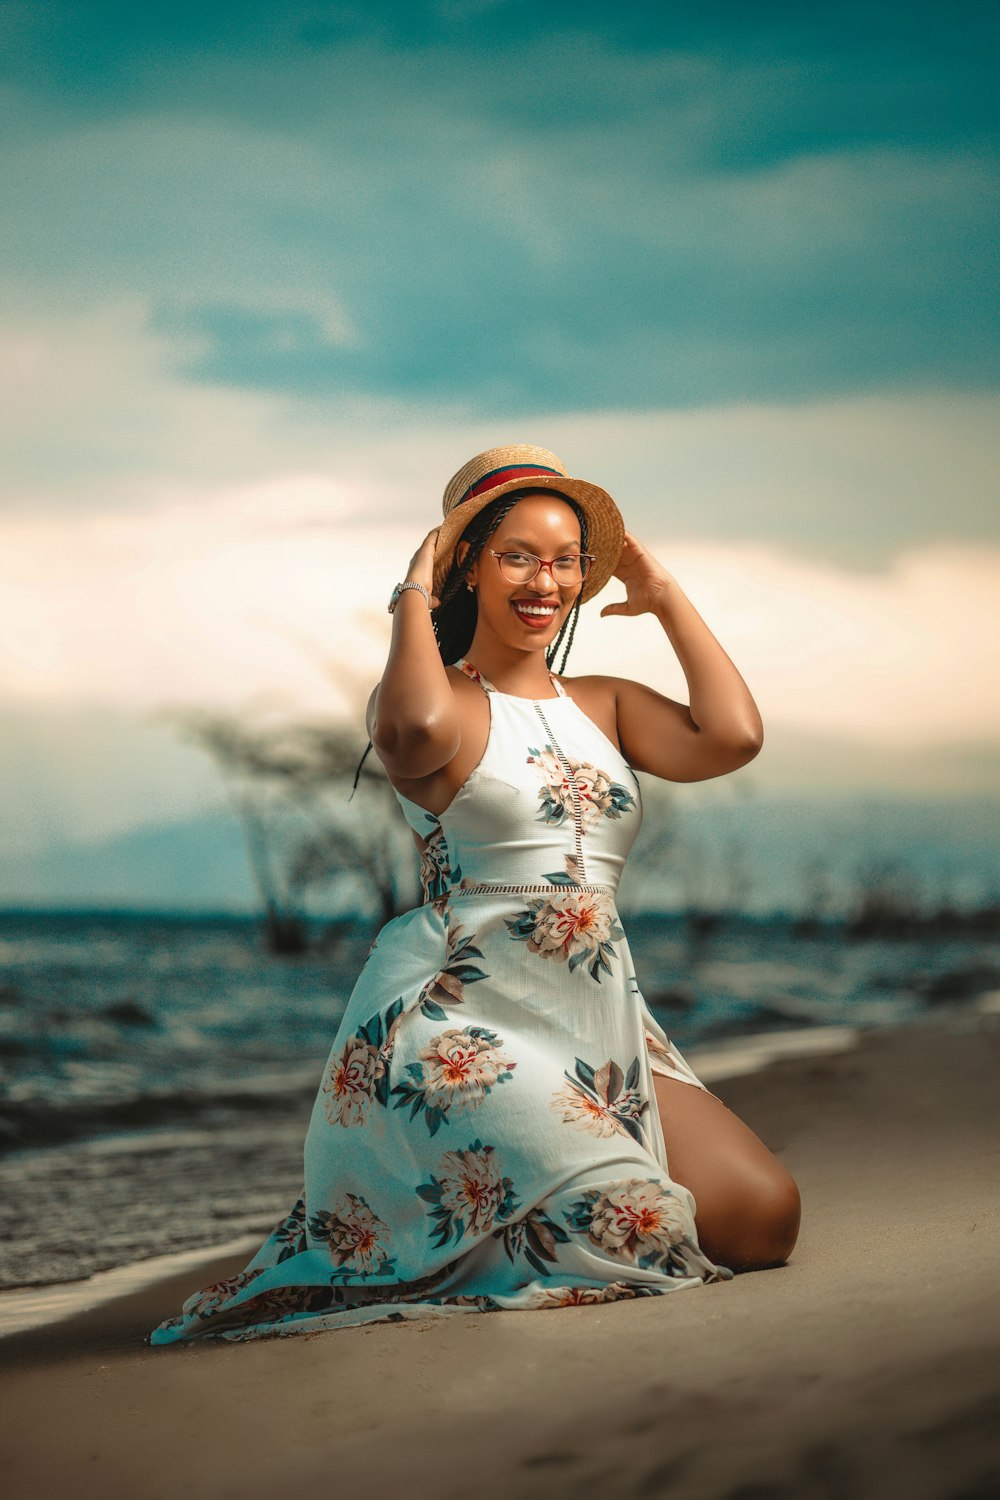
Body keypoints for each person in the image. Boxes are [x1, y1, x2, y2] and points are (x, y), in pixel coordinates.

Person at [146, 443, 800, 1346]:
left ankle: (528, 1213)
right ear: (470, 565)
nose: (548, 581)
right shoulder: (445, 704)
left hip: (602, 1019)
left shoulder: (603, 703)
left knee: (763, 1218)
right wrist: (413, 585)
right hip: (469, 1029)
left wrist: (659, 590)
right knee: (632, 1226)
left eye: (568, 558)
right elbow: (407, 727)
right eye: (518, 554)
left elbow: (732, 736)